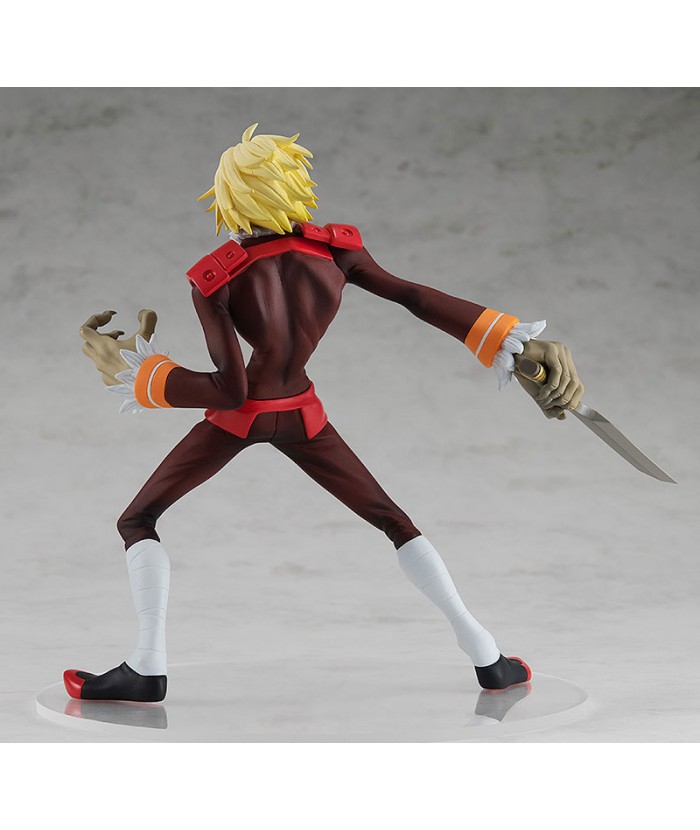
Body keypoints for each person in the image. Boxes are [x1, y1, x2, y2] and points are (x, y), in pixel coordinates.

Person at [64, 124, 584, 703]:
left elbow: (231, 391)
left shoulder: (217, 276)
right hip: (302, 412)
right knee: (394, 521)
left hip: (243, 416)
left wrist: (139, 375)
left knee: (137, 521)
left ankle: (147, 668)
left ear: (230, 197)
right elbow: (414, 296)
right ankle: (488, 657)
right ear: (293, 184)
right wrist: (509, 341)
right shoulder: (336, 251)